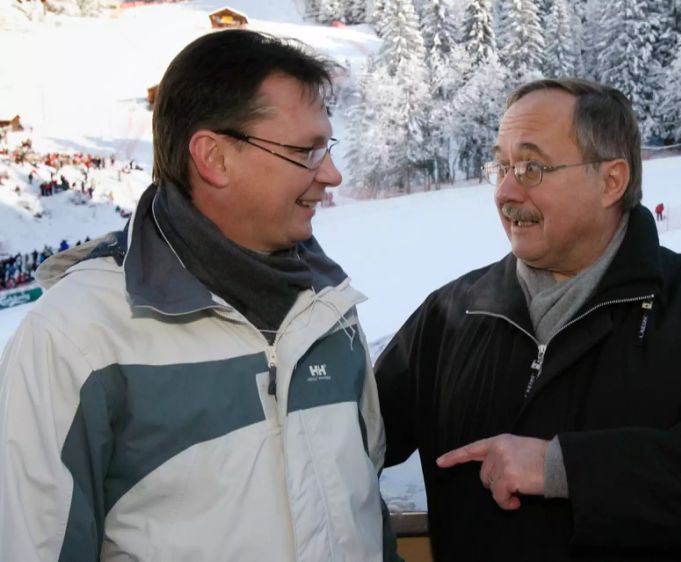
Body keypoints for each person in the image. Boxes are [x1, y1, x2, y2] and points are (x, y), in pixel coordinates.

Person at [375, 78, 681, 562]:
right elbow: (343, 442)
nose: (506, 191)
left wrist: (567, 468)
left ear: (611, 181)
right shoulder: (449, 317)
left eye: (531, 167)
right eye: (502, 165)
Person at [0, 30, 397, 562]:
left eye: (327, 147)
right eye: (306, 151)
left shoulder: (330, 313)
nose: (331, 174)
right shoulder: (80, 337)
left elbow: (366, 517)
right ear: (214, 158)